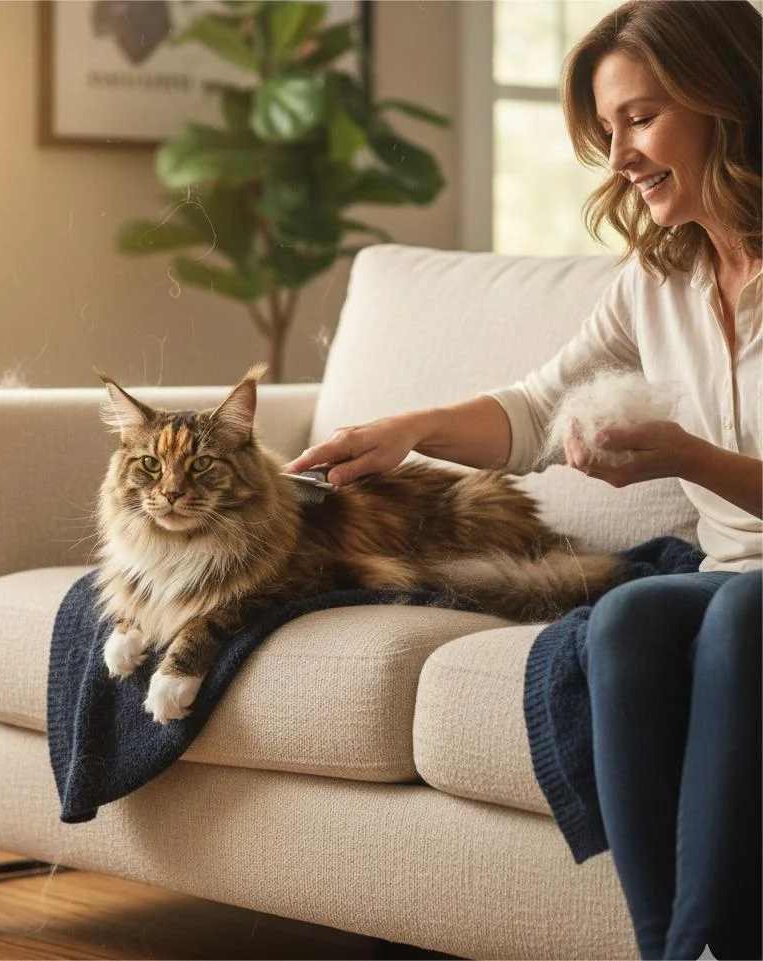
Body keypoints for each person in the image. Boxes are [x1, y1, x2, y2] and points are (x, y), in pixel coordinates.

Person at [285, 3, 762, 959]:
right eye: (608, 129)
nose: (619, 154)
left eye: (642, 117)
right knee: (625, 619)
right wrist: (408, 429)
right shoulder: (657, 280)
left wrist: (687, 457)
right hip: (731, 579)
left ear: (728, 103)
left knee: (740, 621)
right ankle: (669, 948)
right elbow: (538, 411)